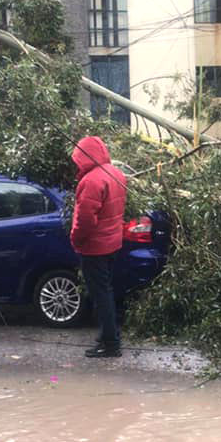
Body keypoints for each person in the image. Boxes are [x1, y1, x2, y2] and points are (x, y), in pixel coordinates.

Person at [70, 136, 128, 358]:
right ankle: (108, 336)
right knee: (106, 291)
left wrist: (76, 240)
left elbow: (85, 220)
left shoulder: (91, 181)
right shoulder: (116, 173)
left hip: (95, 247)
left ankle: (111, 344)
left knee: (100, 295)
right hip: (112, 243)